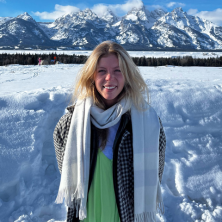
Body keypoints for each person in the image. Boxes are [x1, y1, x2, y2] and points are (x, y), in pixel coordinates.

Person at [53, 41, 166, 222]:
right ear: (91, 76)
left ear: (127, 75)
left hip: (125, 216)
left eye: (117, 70)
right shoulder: (73, 122)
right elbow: (66, 167)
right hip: (86, 216)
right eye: (102, 71)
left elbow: (154, 175)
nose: (109, 78)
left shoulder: (147, 123)